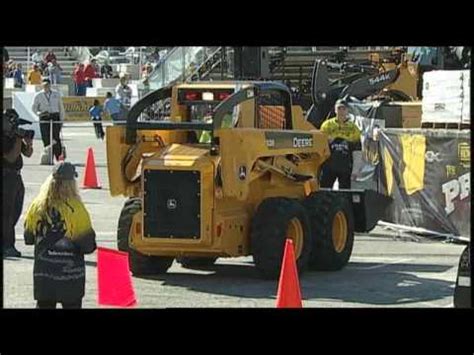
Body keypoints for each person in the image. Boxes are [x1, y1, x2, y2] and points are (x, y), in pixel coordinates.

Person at [24, 162, 97, 309]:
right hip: (70, 279)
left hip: (44, 278)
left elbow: (28, 238)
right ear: (72, 184)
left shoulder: (37, 206)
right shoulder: (77, 209)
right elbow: (88, 246)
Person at [3, 109, 34, 258]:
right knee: (7, 214)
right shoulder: (4, 137)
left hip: (16, 177)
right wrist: (17, 138)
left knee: (15, 211)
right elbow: (10, 157)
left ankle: (7, 243)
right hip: (6, 177)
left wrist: (28, 143)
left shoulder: (14, 136)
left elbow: (27, 154)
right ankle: (8, 245)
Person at [319, 99, 361, 189]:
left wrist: (356, 170)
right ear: (335, 110)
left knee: (345, 193)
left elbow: (357, 151)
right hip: (329, 166)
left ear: (347, 110)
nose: (341, 111)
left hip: (345, 167)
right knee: (324, 191)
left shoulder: (354, 128)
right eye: (339, 109)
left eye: (344, 109)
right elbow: (319, 147)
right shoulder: (327, 125)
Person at [32, 78, 65, 163]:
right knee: (45, 137)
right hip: (44, 117)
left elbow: (61, 107)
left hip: (55, 116)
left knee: (56, 138)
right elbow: (34, 108)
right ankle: (48, 157)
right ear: (42, 85)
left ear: (50, 85)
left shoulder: (56, 94)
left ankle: (59, 158)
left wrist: (61, 120)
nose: (46, 87)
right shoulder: (38, 95)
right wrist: (39, 113)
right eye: (44, 85)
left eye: (47, 85)